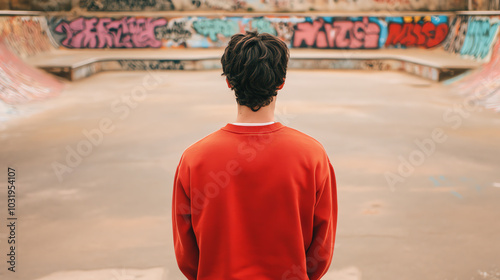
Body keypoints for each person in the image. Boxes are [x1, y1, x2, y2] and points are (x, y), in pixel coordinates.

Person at [172, 31, 337, 280]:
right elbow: (321, 248)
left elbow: (186, 253)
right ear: (281, 82)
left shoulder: (194, 158)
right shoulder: (312, 155)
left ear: (229, 82)